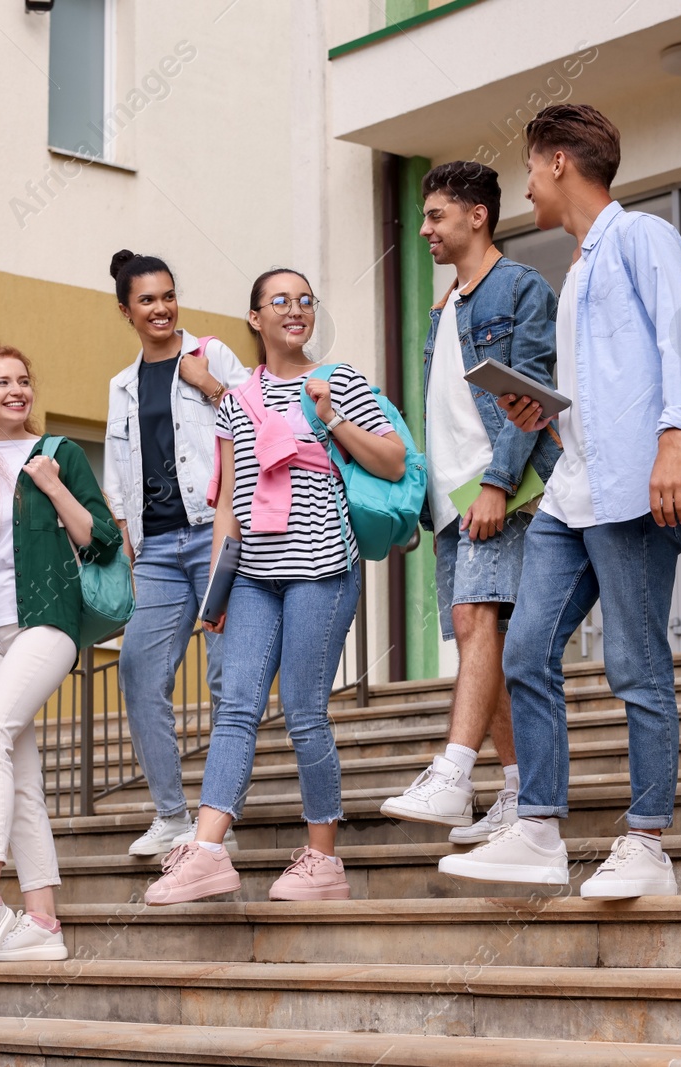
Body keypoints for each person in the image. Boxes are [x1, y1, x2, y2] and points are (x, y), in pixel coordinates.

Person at [439, 103, 681, 898]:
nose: (527, 186)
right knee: (526, 648)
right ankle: (537, 827)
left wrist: (676, 439)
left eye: (531, 169)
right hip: (576, 492)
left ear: (561, 162)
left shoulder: (640, 236)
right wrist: (544, 411)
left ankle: (648, 842)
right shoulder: (575, 274)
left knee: (635, 664)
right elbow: (601, 394)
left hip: (638, 487)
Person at [145, 268, 406, 906]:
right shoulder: (235, 401)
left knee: (304, 713)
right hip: (255, 577)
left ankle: (323, 863)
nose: (295, 310)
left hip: (323, 569)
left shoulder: (340, 380)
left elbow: (393, 459)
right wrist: (218, 593)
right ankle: (207, 852)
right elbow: (232, 502)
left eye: (304, 300)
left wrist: (331, 420)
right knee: (234, 707)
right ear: (256, 319)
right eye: (279, 301)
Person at [380, 162, 559, 844]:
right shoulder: (447, 304)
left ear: (476, 215)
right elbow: (446, 412)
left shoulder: (518, 287)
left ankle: (455, 771)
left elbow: (531, 394)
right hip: (456, 497)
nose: (423, 228)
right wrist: (426, 506)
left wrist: (497, 482)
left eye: (435, 216)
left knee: (477, 618)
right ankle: (514, 791)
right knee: (488, 642)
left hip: (503, 487)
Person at [0, 345, 124, 969]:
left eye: (24, 380)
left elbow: (101, 539)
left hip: (48, 623)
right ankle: (43, 922)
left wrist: (53, 488)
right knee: (18, 775)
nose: (17, 390)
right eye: (2, 382)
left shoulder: (60, 455)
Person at [102, 250, 250, 858]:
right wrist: (129, 549)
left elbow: (260, 424)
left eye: (167, 295)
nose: (161, 308)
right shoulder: (121, 385)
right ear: (126, 310)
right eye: (147, 300)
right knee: (138, 671)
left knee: (224, 677)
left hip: (215, 535)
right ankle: (171, 815)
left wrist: (210, 387)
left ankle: (218, 821)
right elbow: (118, 474)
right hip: (158, 547)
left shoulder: (211, 355)